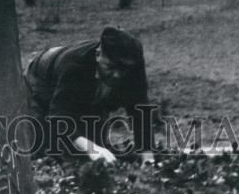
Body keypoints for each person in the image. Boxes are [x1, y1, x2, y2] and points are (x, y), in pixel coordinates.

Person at [24, 27, 155, 165]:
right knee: (45, 143)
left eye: (122, 70)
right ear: (98, 54)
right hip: (43, 79)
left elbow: (141, 111)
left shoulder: (132, 63)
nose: (117, 75)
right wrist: (91, 149)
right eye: (110, 67)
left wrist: (148, 158)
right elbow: (59, 115)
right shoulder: (75, 64)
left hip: (87, 83)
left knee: (94, 146)